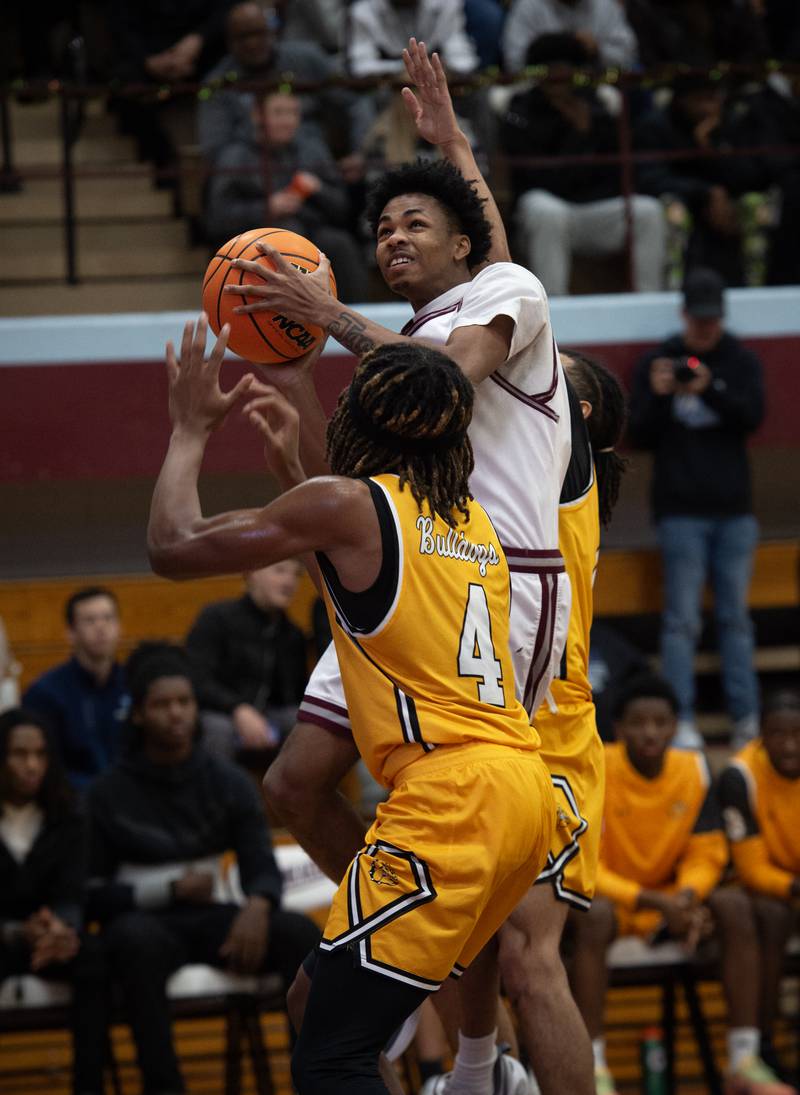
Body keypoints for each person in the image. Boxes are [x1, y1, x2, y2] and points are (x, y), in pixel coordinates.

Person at [228, 39, 575, 1092]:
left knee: (531, 952)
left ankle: (476, 1063)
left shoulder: (491, 301)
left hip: (498, 588)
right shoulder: (429, 318)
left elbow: (444, 362)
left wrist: (317, 315)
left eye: (410, 221)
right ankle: (416, 936)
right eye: (377, 228)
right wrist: (448, 142)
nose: (387, 236)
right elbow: (430, 344)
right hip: (416, 561)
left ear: (463, 243)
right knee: (293, 780)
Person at [147, 321, 558, 1094]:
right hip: (519, 792)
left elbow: (173, 543)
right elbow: (356, 581)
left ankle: (479, 1071)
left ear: (360, 423)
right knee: (313, 1000)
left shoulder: (351, 504)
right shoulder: (467, 523)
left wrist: (190, 428)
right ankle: (479, 1074)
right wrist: (290, 481)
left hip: (451, 802)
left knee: (331, 1055)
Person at [88, 642, 319, 1095]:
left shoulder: (226, 779)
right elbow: (91, 893)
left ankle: (311, 1080)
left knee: (297, 933)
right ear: (137, 714)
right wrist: (167, 892)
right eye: (162, 704)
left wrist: (258, 905)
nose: (176, 714)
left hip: (213, 919)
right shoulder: (107, 792)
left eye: (185, 702)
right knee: (134, 943)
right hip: (143, 922)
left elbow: (260, 864)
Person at [570, 673, 793, 1095]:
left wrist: (686, 898)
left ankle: (744, 1059)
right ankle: (594, 1067)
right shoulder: (596, 767)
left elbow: (707, 853)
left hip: (675, 905)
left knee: (735, 905)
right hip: (620, 904)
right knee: (591, 917)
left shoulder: (693, 769)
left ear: (676, 727)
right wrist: (655, 900)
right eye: (638, 722)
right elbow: (583, 866)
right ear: (619, 729)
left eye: (660, 722)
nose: (650, 732)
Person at [628, 268, 765, 751]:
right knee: (680, 622)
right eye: (699, 318)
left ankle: (746, 719)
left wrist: (710, 387)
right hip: (680, 510)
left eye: (713, 319)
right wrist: (663, 398)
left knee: (735, 620)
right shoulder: (658, 361)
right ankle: (679, 719)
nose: (707, 328)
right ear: (685, 314)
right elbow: (636, 434)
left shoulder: (739, 361)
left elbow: (752, 417)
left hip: (734, 511)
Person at [500, 34, 665, 295]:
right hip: (548, 214)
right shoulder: (521, 111)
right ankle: (553, 314)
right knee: (544, 209)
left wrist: (589, 128)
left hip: (593, 212)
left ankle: (649, 301)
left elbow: (616, 173)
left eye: (565, 67)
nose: (558, 75)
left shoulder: (597, 106)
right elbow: (534, 178)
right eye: (550, 68)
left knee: (647, 212)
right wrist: (576, 137)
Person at [0, 708, 107, 1095]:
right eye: (19, 754)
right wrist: (15, 932)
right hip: (5, 938)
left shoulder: (69, 812)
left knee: (95, 959)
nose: (32, 765)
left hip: (50, 940)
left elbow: (72, 890)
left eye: (41, 755)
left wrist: (62, 927)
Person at [204, 88, 368, 302]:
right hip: (256, 241)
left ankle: (353, 315)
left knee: (341, 244)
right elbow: (217, 219)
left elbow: (342, 210)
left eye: (293, 113)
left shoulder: (312, 150)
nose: (288, 121)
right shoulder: (234, 156)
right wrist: (267, 207)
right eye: (279, 113)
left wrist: (318, 189)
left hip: (312, 231)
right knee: (288, 236)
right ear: (257, 114)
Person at [719, 688, 800, 1080]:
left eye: (798, 734)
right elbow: (751, 870)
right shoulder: (740, 776)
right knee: (772, 913)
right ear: (761, 736)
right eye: (778, 734)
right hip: (756, 892)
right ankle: (763, 1044)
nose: (789, 745)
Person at [197, 2, 345, 164]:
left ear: (271, 32)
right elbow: (215, 148)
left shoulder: (307, 59)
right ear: (229, 41)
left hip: (309, 160)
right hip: (251, 170)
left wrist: (360, 153)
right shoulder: (217, 83)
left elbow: (350, 101)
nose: (252, 43)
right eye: (243, 36)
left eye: (257, 33)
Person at [185, 562, 308, 757]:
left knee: (306, 726)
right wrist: (238, 709)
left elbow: (296, 696)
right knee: (218, 730)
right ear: (251, 573)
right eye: (280, 571)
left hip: (270, 716)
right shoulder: (217, 618)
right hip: (220, 712)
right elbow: (198, 678)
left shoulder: (292, 634)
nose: (289, 582)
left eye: (297, 575)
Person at [23, 587, 130, 789]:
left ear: (119, 627)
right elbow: (46, 765)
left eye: (108, 618)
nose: (101, 627)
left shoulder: (133, 685)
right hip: (73, 800)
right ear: (70, 633)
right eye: (90, 620)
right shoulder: (45, 693)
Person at [501, 0, 638, 73]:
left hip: (596, 86)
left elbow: (629, 56)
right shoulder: (528, 5)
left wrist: (598, 51)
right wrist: (553, 50)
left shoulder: (604, 5)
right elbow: (514, 63)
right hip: (542, 92)